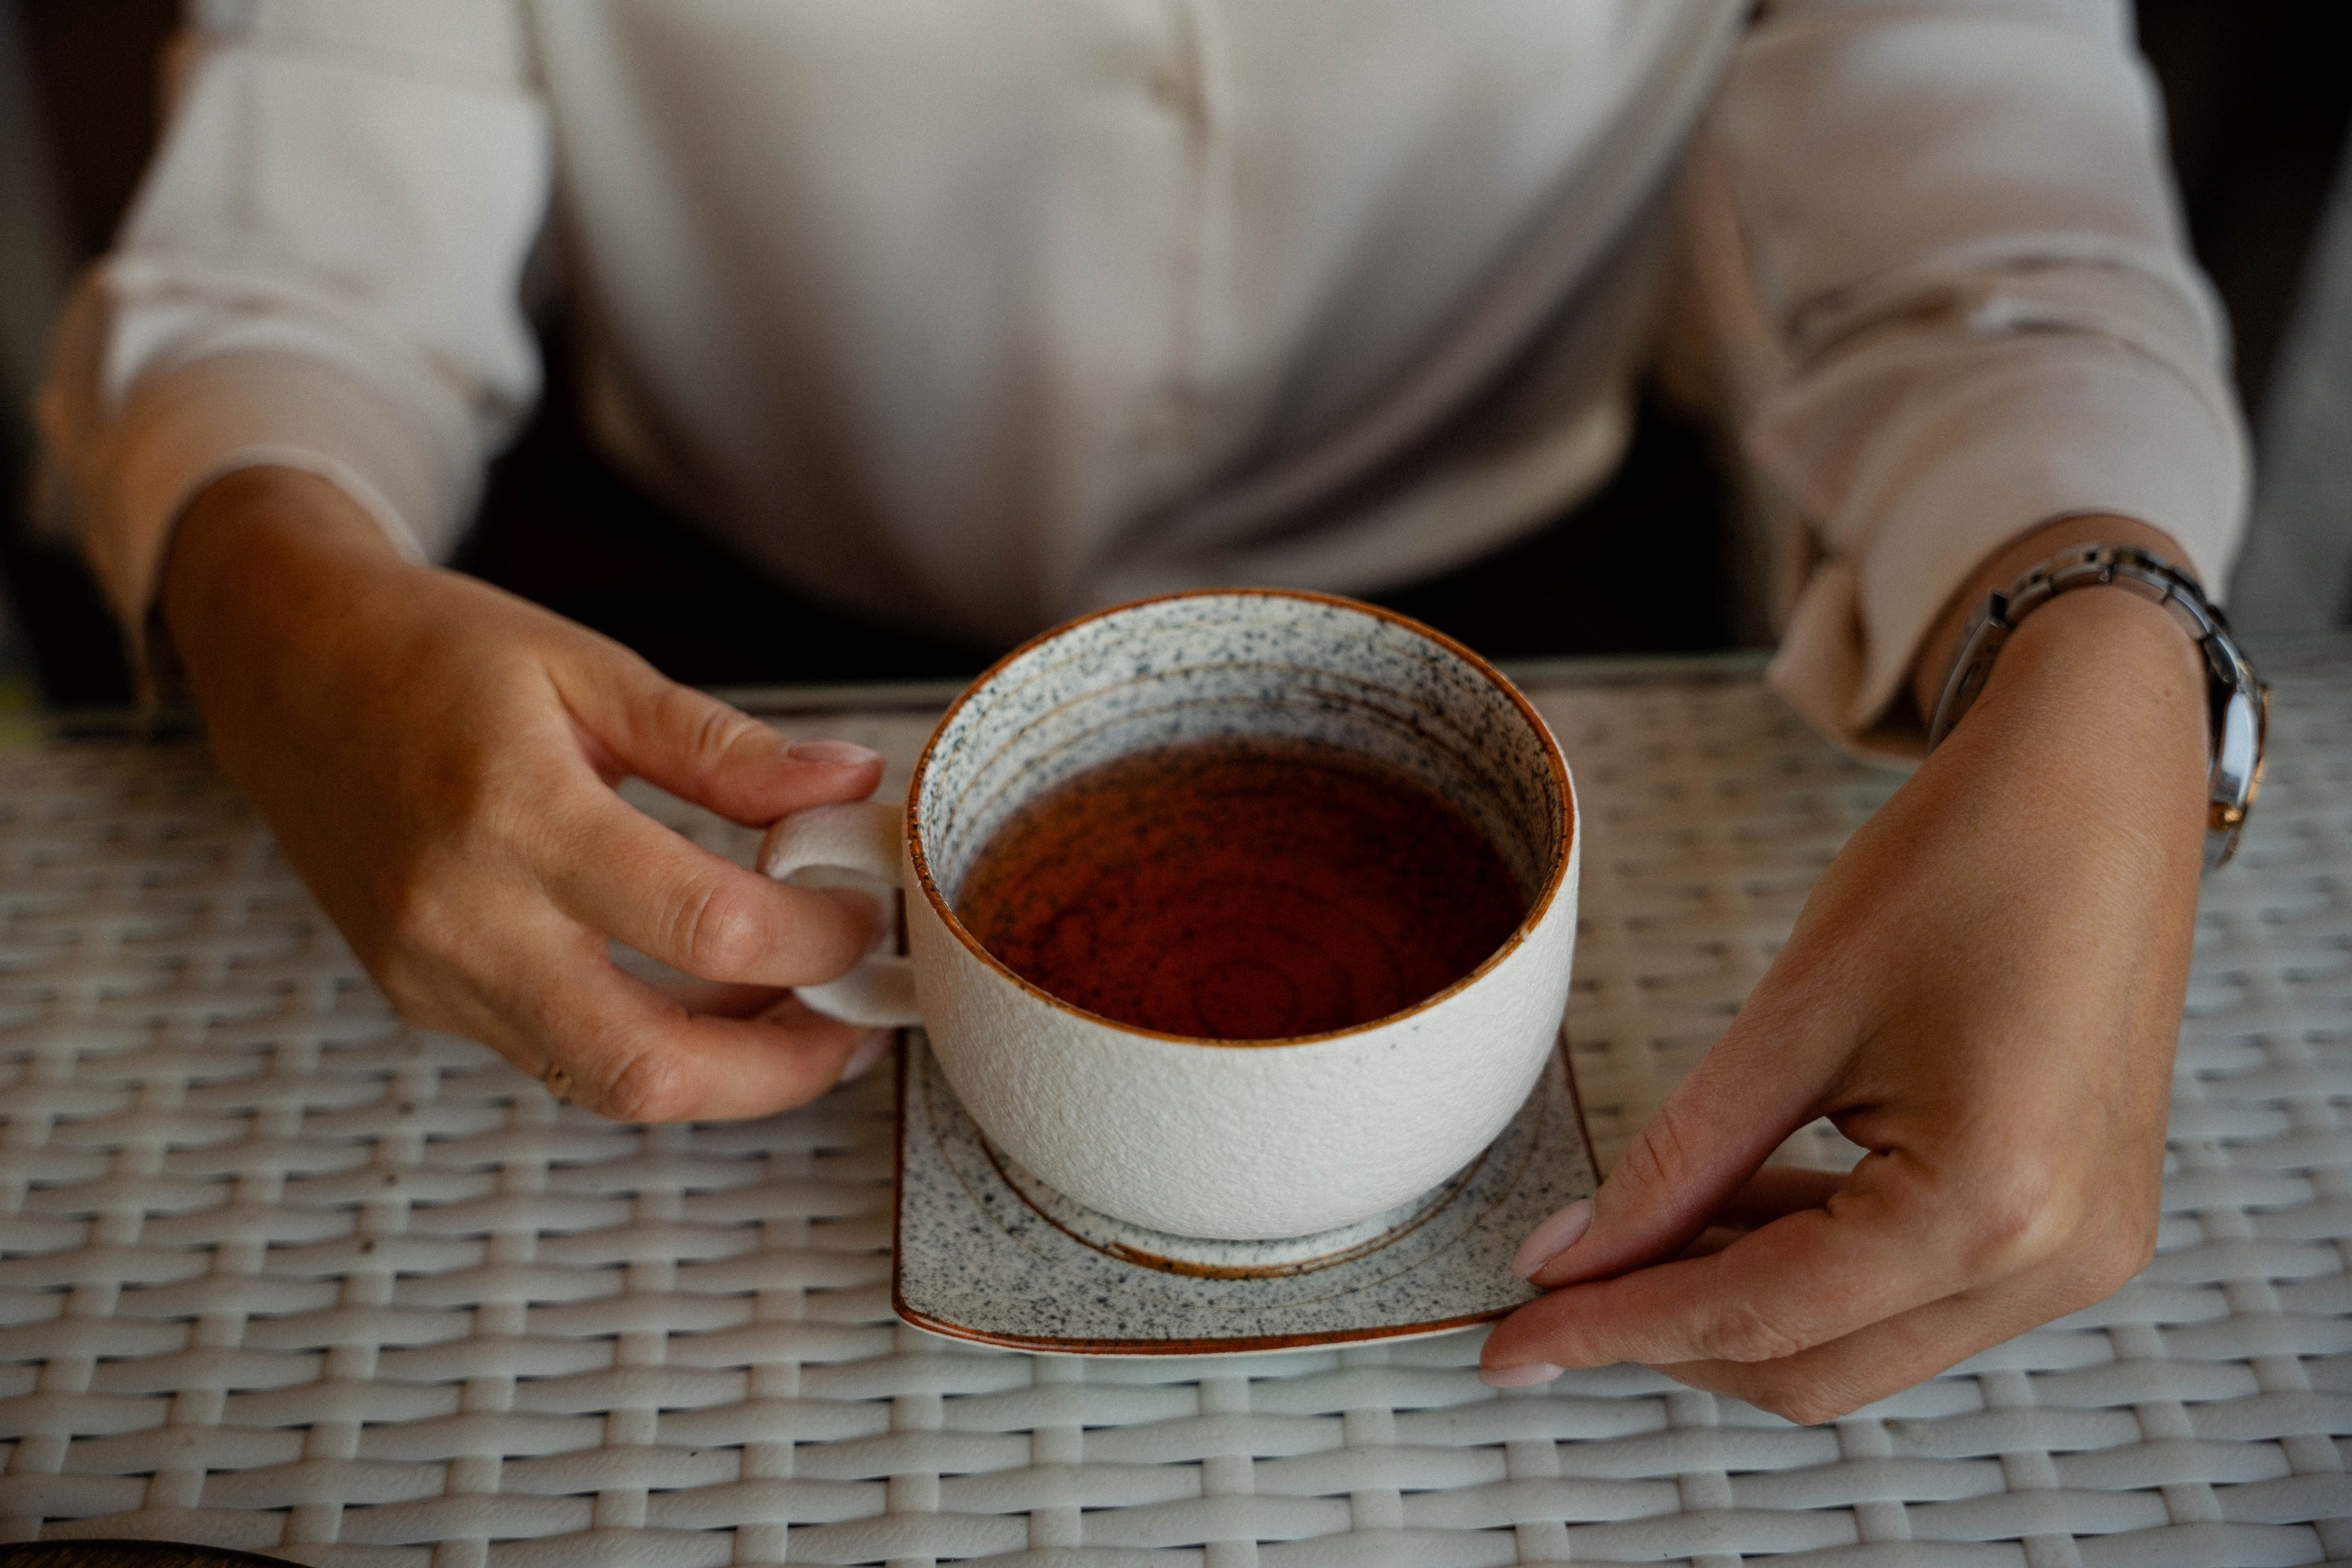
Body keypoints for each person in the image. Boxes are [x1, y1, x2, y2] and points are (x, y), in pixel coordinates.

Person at [40, 0, 2245, 1424]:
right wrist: (268, 589)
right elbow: (296, 246)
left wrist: (2109, 649)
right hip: (681, 616)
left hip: (1528, 594)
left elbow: (2003, 228)